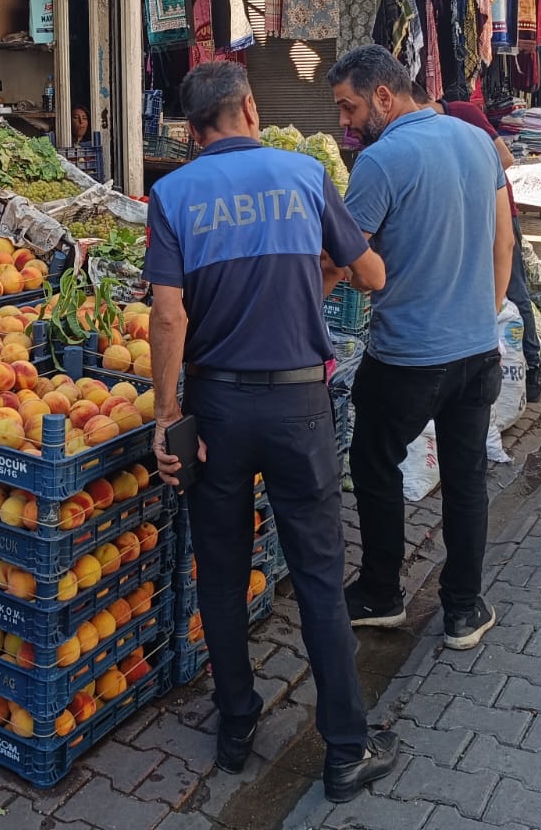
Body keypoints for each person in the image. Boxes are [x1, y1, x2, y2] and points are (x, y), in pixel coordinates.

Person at [145, 62, 398, 801]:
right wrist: (326, 273)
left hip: (217, 413)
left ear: (192, 133)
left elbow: (168, 316)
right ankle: (347, 747)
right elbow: (371, 274)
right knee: (318, 574)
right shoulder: (303, 175)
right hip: (298, 409)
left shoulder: (171, 194)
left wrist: (168, 420)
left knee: (219, 574)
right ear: (251, 109)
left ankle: (235, 726)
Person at [331, 46, 512, 647]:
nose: (345, 122)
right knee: (466, 478)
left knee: (374, 463)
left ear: (384, 97)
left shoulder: (382, 161)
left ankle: (382, 592)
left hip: (408, 355)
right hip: (477, 349)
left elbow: (348, 259)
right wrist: (486, 312)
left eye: (349, 107)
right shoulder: (477, 141)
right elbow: (501, 240)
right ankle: (463, 607)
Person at [410, 81, 541, 402]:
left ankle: (532, 367)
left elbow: (505, 158)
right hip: (460, 216)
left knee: (515, 289)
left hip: (496, 211)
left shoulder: (463, 112)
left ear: (426, 101)